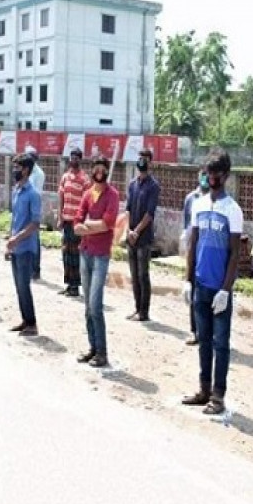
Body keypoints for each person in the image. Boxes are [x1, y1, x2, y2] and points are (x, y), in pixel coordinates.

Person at [180, 150, 243, 415]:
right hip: (200, 285)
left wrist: (226, 291)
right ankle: (204, 389)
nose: (213, 178)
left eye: (217, 174)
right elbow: (193, 244)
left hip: (219, 289)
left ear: (226, 175)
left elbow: (235, 254)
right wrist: (187, 280)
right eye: (209, 173)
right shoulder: (198, 204)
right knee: (203, 341)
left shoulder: (233, 210)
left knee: (221, 344)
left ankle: (218, 396)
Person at [74, 156, 120, 369]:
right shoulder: (87, 194)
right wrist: (90, 225)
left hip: (101, 254)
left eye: (103, 169)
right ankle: (92, 347)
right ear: (92, 171)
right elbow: (76, 222)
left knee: (95, 304)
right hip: (85, 252)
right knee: (87, 305)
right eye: (96, 169)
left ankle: (102, 352)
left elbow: (107, 224)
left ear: (107, 172)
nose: (99, 173)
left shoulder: (112, 196)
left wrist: (87, 225)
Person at [7, 154, 42, 336]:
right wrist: (10, 239)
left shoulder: (33, 194)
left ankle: (32, 323)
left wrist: (17, 238)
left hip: (26, 247)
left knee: (24, 285)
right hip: (15, 245)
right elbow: (15, 219)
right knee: (18, 286)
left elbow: (35, 223)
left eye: (17, 167)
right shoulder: (16, 191)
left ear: (26, 170)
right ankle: (25, 320)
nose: (14, 170)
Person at [125, 148, 160, 322]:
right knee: (133, 274)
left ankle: (144, 312)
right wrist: (128, 230)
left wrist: (137, 231)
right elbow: (128, 209)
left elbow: (149, 213)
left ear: (150, 163)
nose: (142, 162)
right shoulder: (132, 184)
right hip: (131, 237)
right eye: (140, 158)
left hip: (143, 238)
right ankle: (137, 308)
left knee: (143, 275)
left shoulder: (153, 186)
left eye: (145, 159)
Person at [57, 147, 92, 297]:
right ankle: (68, 283)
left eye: (76, 157)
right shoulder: (65, 177)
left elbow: (87, 202)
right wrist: (60, 216)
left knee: (75, 253)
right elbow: (61, 197)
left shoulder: (85, 179)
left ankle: (75, 286)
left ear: (80, 159)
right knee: (65, 252)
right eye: (71, 157)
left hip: (77, 222)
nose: (73, 160)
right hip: (66, 220)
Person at [181, 174, 208, 345]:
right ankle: (194, 330)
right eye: (202, 173)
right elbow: (186, 226)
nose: (205, 177)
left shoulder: (217, 200)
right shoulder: (191, 198)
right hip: (193, 250)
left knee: (206, 290)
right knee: (191, 287)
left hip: (208, 251)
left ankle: (206, 331)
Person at [25, 146, 45, 280]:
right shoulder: (27, 171)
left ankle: (36, 269)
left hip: (33, 209)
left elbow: (35, 193)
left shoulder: (38, 174)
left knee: (35, 240)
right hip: (24, 208)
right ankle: (28, 267)